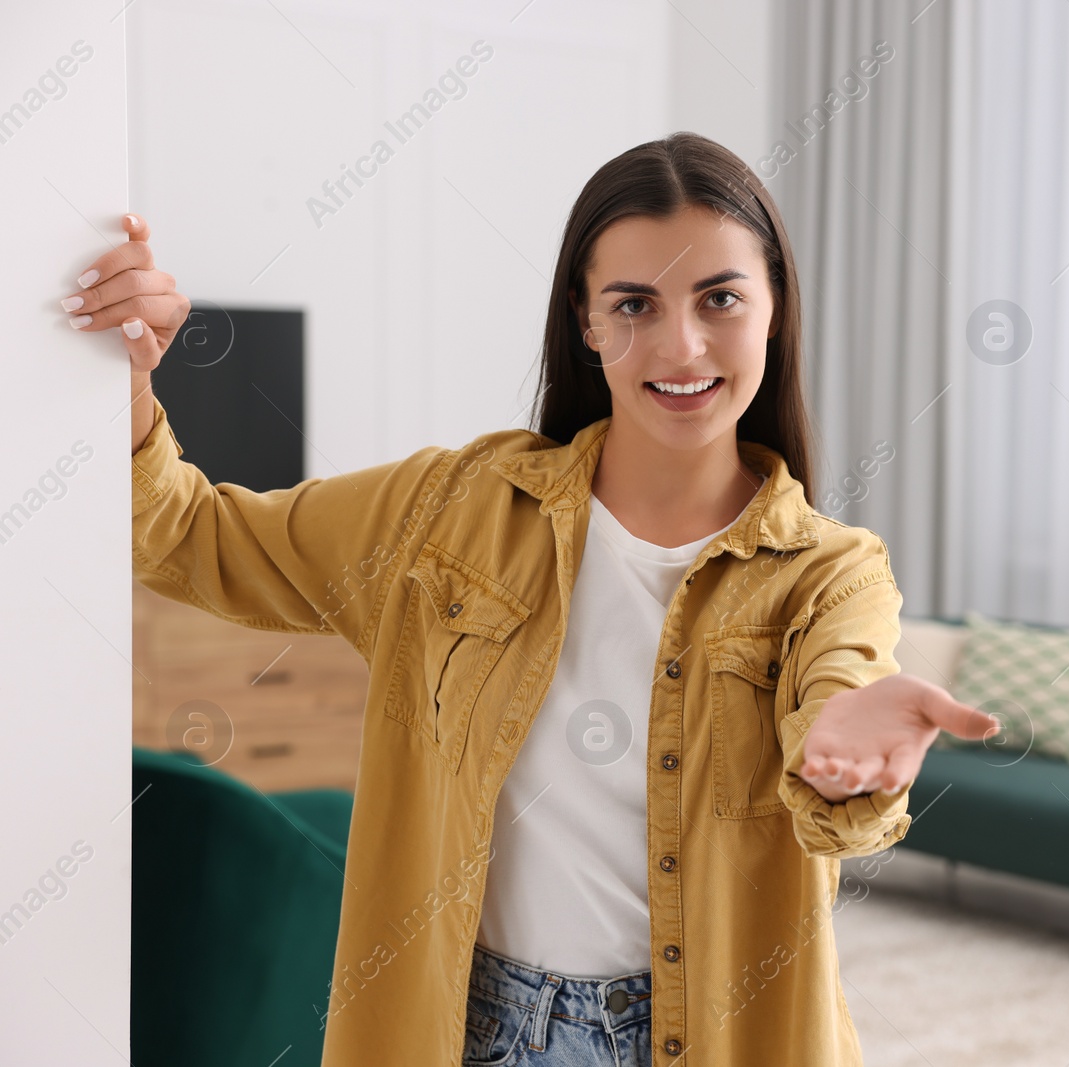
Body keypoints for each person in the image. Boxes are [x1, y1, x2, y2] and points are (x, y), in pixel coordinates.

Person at [76, 131, 999, 1067]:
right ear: (588, 322)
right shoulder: (453, 509)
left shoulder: (833, 573)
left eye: (720, 298)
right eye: (633, 304)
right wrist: (134, 386)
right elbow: (195, 537)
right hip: (472, 1026)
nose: (681, 345)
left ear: (774, 310)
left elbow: (837, 718)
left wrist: (851, 744)